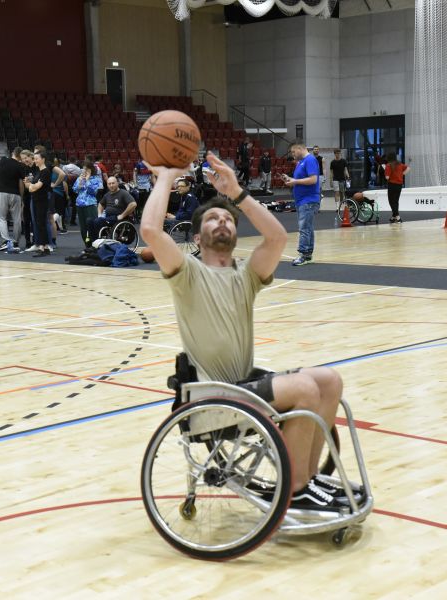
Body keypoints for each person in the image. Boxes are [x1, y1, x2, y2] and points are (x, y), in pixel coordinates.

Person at [140, 153, 348, 512]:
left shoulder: (246, 275)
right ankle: (296, 487)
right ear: (197, 236)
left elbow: (278, 237)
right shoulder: (186, 272)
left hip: (242, 388)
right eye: (213, 218)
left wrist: (237, 193)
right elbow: (150, 231)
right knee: (302, 387)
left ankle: (306, 480)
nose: (222, 221)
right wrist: (166, 176)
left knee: (329, 380)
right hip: (211, 398)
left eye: (228, 219)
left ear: (236, 234)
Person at [283, 143, 320, 266]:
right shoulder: (302, 162)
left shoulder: (310, 160)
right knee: (307, 228)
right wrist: (290, 179)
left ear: (300, 148)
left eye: (293, 152)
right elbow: (299, 180)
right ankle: (308, 255)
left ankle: (303, 255)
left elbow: (313, 179)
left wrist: (295, 181)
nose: (293, 155)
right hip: (302, 200)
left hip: (308, 200)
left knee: (304, 228)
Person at [86, 176, 136, 244]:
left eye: (113, 183)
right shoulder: (107, 195)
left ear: (117, 183)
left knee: (98, 221)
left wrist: (122, 215)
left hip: (117, 218)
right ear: (107, 185)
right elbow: (100, 205)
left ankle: (98, 243)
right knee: (89, 221)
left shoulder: (123, 193)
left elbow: (133, 204)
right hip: (108, 218)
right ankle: (93, 243)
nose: (111, 185)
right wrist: (99, 214)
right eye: (109, 184)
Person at [0, 146, 26, 253]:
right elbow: (21, 183)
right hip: (15, 194)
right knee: (17, 218)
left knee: (2, 217)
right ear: (20, 156)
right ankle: (16, 241)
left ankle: (6, 240)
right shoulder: (20, 166)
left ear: (12, 153)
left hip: (2, 191)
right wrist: (21, 198)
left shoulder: (3, 160)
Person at [24, 149, 53, 257]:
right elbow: (30, 186)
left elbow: (36, 186)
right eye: (34, 158)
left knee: (41, 223)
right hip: (36, 200)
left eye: (37, 158)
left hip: (42, 200)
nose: (35, 160)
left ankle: (43, 247)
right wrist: (31, 185)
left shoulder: (45, 172)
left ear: (43, 159)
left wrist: (31, 186)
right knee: (38, 223)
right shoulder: (38, 171)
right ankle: (44, 247)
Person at [73, 162, 102, 248]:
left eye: (86, 169)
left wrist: (88, 180)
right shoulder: (80, 178)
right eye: (83, 169)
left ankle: (95, 245)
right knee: (83, 228)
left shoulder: (96, 179)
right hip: (79, 204)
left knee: (92, 226)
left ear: (91, 170)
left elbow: (93, 192)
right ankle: (87, 246)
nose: (84, 171)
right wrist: (81, 182)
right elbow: (75, 189)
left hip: (90, 204)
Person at [384, 153, 410, 223]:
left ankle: (398, 217)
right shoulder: (400, 164)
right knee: (395, 201)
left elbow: (387, 177)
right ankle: (393, 217)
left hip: (392, 185)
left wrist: (385, 170)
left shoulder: (388, 165)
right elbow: (408, 168)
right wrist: (402, 174)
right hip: (399, 185)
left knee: (391, 201)